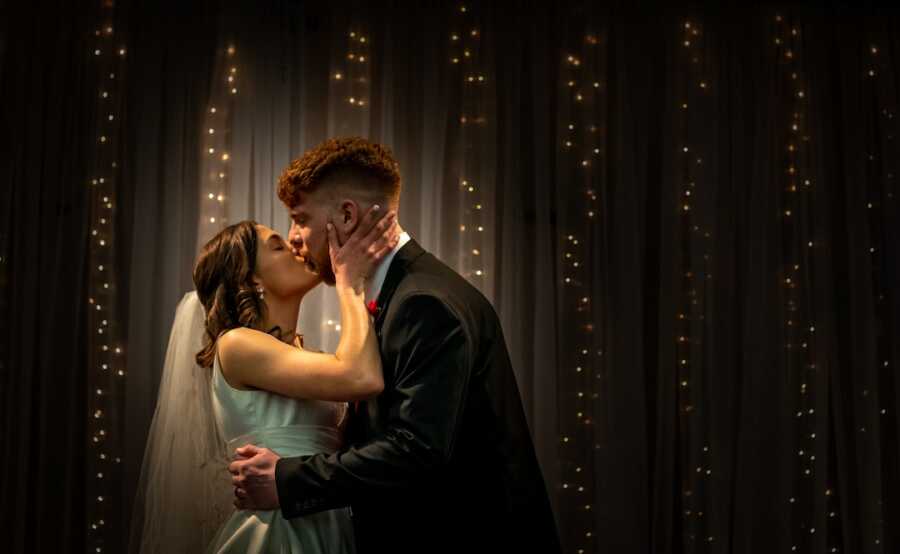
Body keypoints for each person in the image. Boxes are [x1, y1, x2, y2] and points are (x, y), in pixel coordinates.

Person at [229, 137, 561, 553]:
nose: (294, 237)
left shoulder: (424, 301)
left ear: (347, 215)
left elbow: (415, 450)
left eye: (300, 219)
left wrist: (286, 480)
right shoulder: (401, 291)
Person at [130, 203, 399, 553]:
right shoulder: (237, 344)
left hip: (329, 521)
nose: (296, 246)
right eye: (277, 246)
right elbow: (361, 377)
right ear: (250, 277)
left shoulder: (312, 358)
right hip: (279, 532)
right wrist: (350, 285)